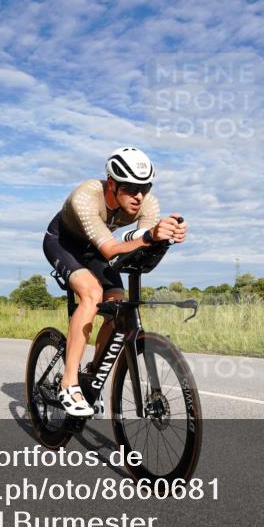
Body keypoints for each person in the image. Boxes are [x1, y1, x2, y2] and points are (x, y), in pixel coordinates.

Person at [42, 147, 187, 416]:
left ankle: (92, 376)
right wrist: (151, 236)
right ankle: (69, 383)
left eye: (145, 187)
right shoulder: (86, 196)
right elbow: (111, 250)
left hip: (96, 247)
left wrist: (165, 237)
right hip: (64, 243)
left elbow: (138, 240)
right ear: (111, 183)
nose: (139, 196)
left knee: (117, 306)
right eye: (130, 188)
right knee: (91, 294)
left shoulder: (147, 203)